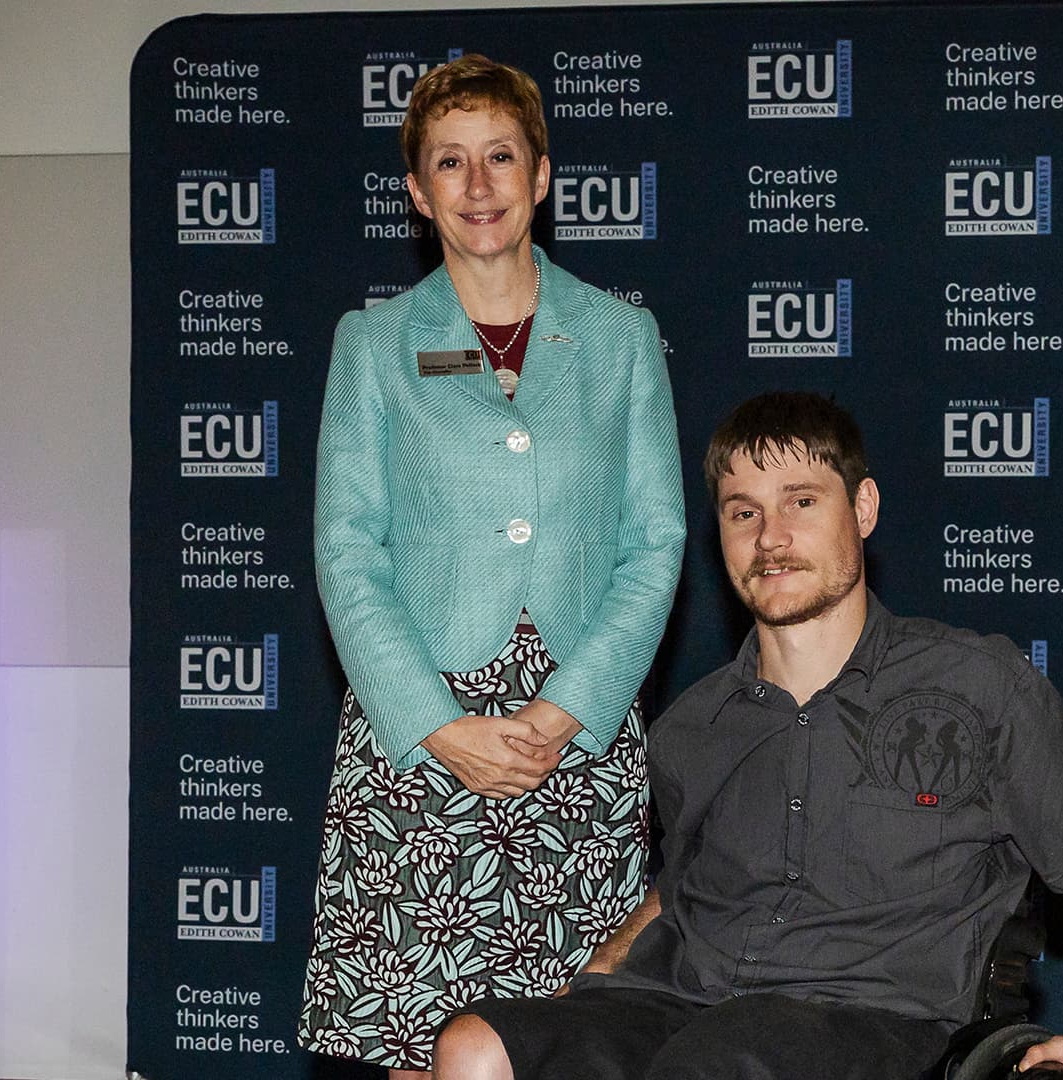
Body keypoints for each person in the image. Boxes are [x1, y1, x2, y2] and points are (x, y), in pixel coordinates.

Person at [432, 392, 1063, 1080]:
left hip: (882, 1021)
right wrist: (598, 971)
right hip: (684, 1004)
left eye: (801, 502)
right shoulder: (691, 727)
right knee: (474, 1046)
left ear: (863, 510)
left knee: (719, 1058)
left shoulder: (975, 683)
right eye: (744, 513)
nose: (770, 538)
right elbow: (682, 887)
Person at [296, 54, 685, 1078]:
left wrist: (562, 715)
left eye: (500, 157)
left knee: (570, 1039)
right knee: (421, 1055)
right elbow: (347, 550)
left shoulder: (620, 337)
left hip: (576, 738)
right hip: (419, 737)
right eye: (451, 164)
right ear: (419, 194)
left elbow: (656, 545)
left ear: (542, 175)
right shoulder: (374, 345)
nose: (479, 187)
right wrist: (440, 727)